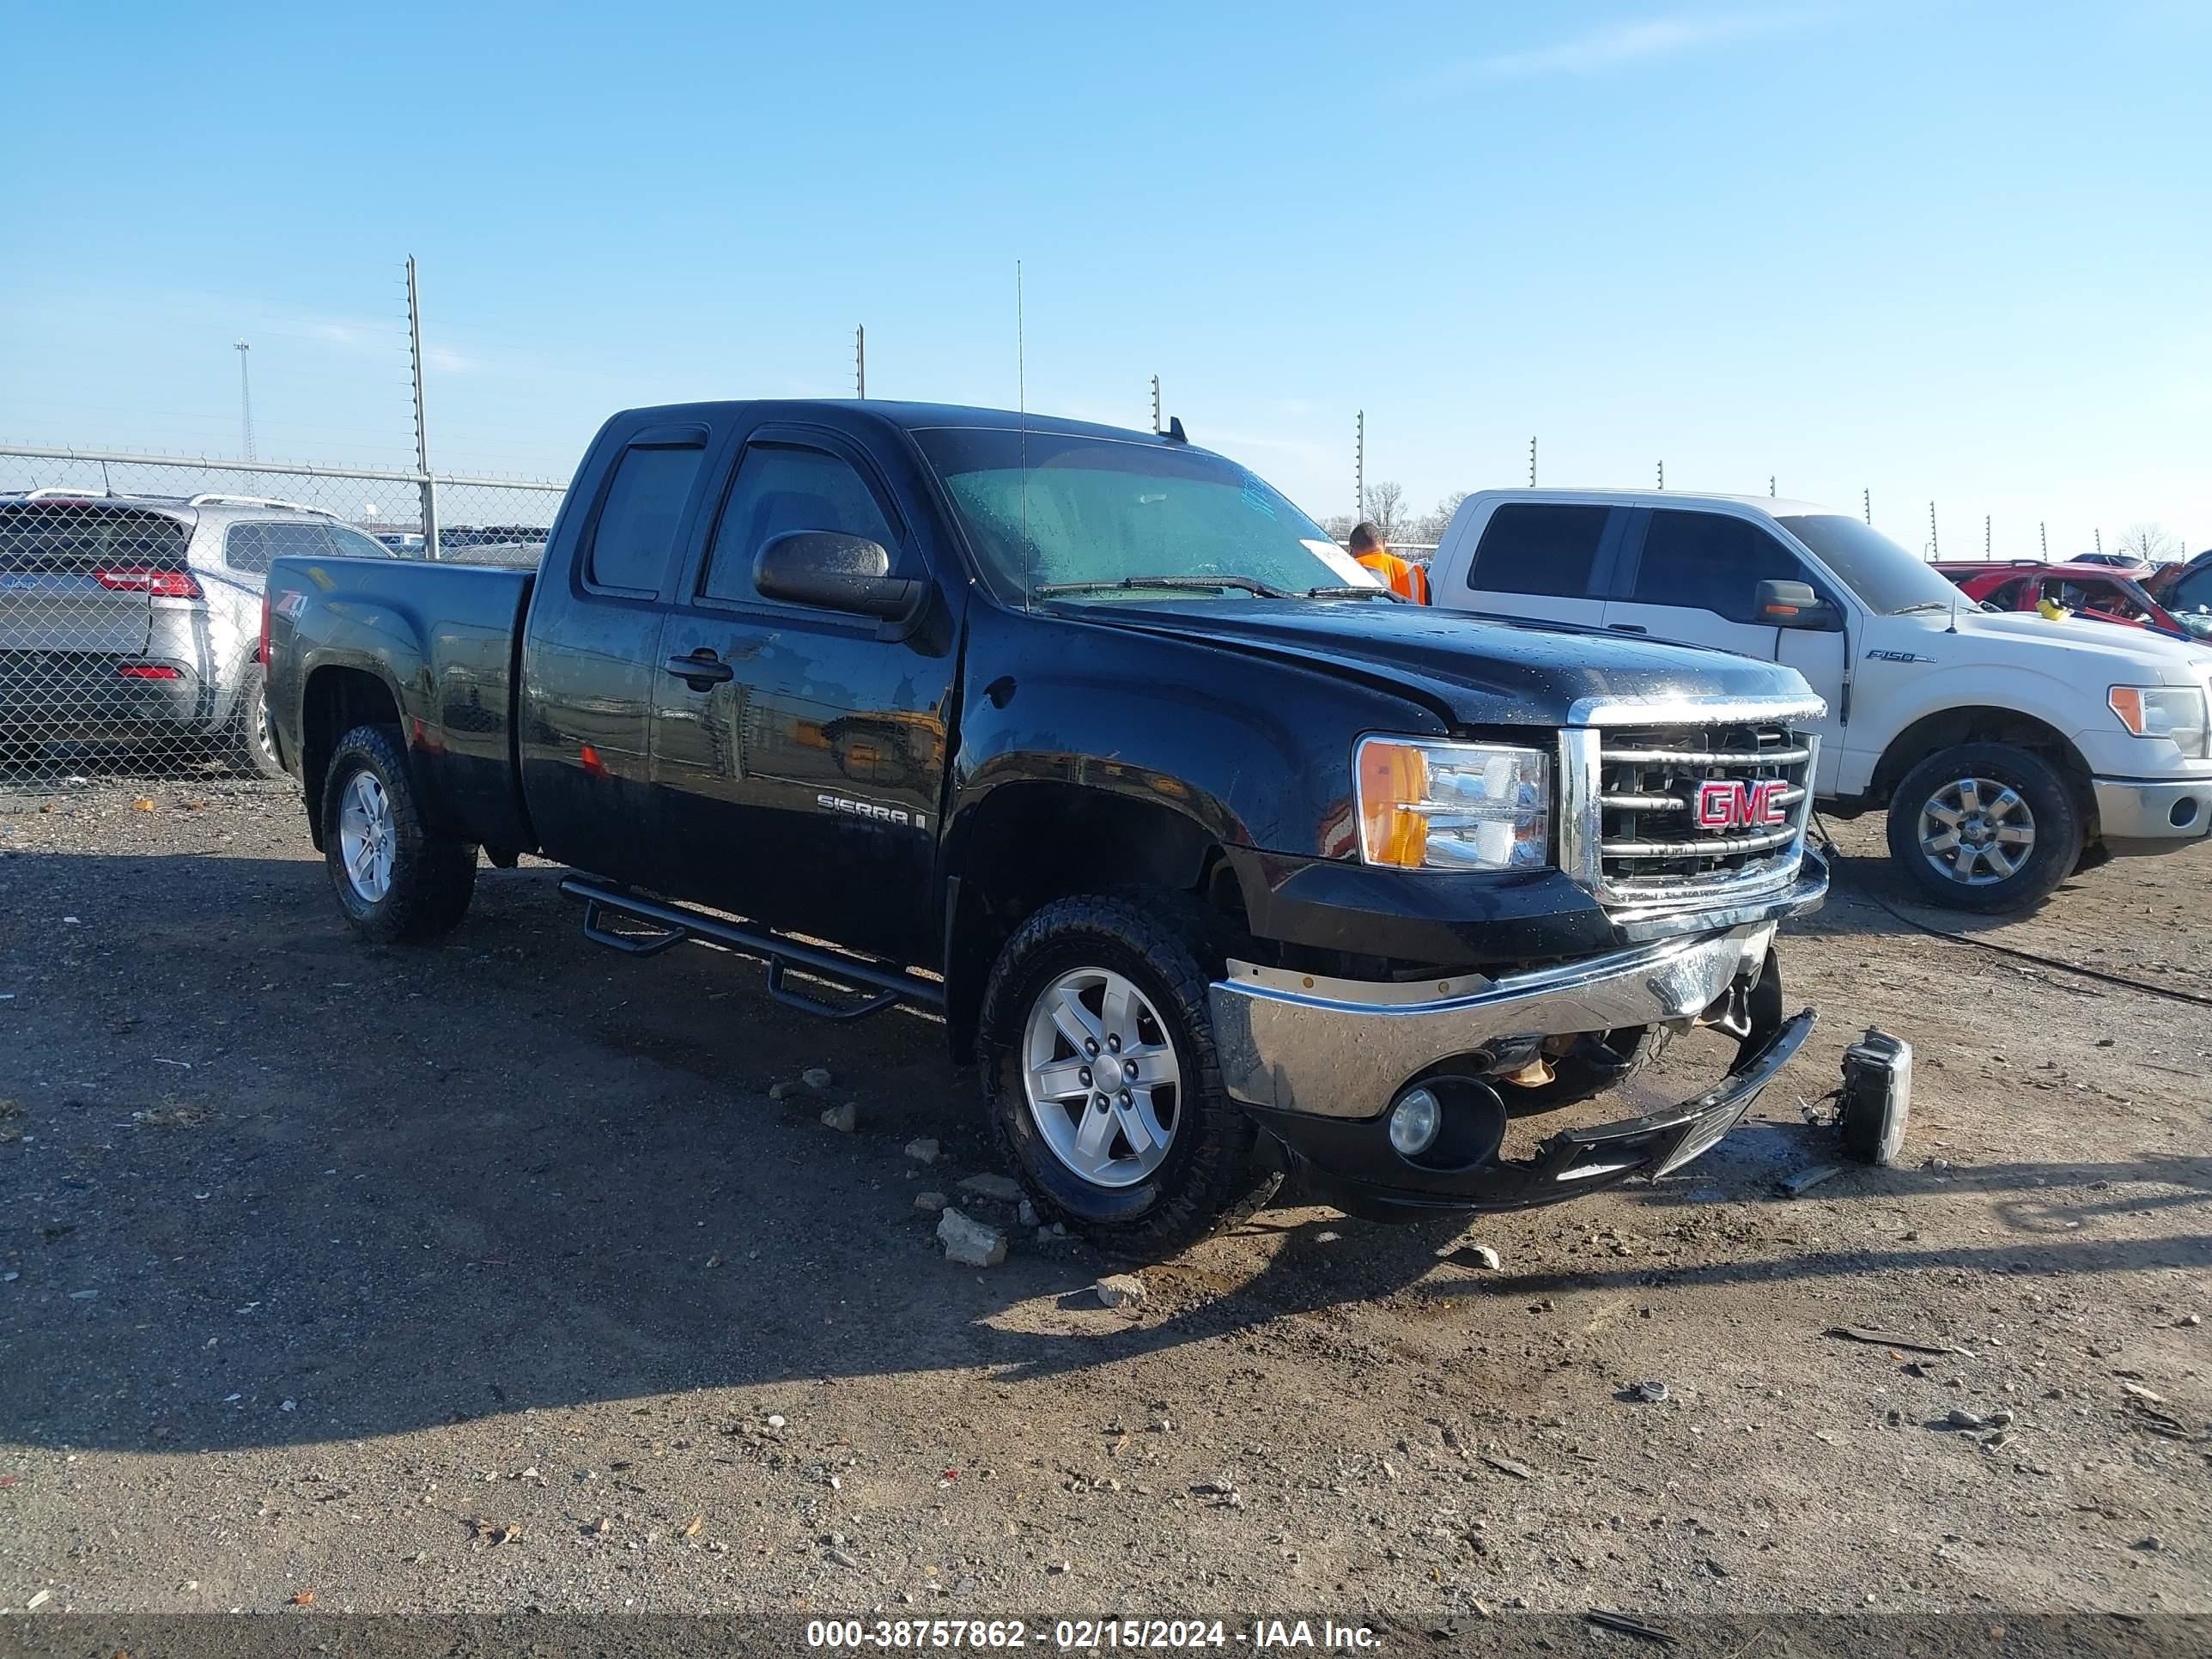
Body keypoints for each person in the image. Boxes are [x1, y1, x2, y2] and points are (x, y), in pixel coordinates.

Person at [1348, 522, 1430, 604]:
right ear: (1384, 544)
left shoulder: (1351, 569)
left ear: (1352, 549)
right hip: (1415, 616)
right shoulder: (1415, 571)